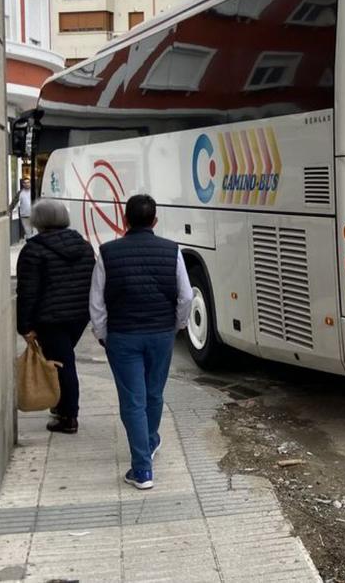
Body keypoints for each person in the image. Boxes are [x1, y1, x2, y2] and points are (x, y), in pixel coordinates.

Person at [90, 194, 192, 490]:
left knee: (132, 400)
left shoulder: (107, 253)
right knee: (154, 393)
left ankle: (142, 469)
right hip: (161, 334)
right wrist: (177, 325)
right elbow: (186, 296)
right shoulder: (172, 251)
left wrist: (102, 333)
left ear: (125, 220)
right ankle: (149, 441)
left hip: (122, 336)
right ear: (155, 221)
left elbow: (97, 302)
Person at [15, 200, 96, 434]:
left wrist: (24, 326)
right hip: (79, 316)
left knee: (63, 365)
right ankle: (60, 404)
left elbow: (27, 292)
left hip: (50, 318)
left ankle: (69, 417)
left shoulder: (33, 250)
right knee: (62, 361)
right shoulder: (83, 245)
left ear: (38, 221)